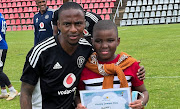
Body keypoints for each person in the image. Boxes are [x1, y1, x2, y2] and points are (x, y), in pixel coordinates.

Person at [20, 2, 93, 109]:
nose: (73, 29)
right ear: (58, 25)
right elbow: (26, 92)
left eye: (78, 23)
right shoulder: (41, 52)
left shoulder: (87, 49)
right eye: (67, 24)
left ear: (84, 24)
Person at [76, 20, 149, 109]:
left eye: (110, 40)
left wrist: (141, 102)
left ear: (118, 41)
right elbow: (78, 95)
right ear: (92, 41)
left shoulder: (130, 64)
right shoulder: (86, 67)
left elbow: (144, 92)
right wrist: (79, 104)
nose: (104, 45)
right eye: (98, 41)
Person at [0, 13, 18, 101]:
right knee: (0, 70)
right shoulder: (1, 16)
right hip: (2, 45)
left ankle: (12, 90)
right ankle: (3, 91)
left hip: (0, 46)